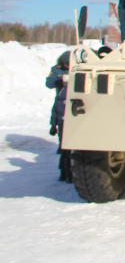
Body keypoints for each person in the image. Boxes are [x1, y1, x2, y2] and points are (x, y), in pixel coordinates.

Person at [46, 51, 71, 182]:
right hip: (62, 108)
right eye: (66, 63)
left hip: (74, 106)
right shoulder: (57, 70)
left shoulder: (78, 67)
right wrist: (59, 81)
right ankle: (64, 172)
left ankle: (70, 172)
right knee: (64, 146)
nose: (68, 66)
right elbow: (49, 83)